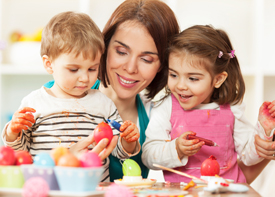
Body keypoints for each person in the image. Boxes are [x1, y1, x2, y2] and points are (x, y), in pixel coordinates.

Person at [44, 0, 180, 181]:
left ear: (162, 65)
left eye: (146, 59)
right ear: (104, 48)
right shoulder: (56, 96)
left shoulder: (158, 119)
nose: (131, 68)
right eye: (121, 51)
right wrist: (64, 161)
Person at [1, 11, 141, 182]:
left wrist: (128, 140)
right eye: (73, 69)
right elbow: (20, 152)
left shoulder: (104, 104)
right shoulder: (34, 103)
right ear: (49, 64)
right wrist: (12, 132)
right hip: (50, 188)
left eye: (92, 69)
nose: (84, 78)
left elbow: (119, 151)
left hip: (93, 190)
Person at [141, 25, 275, 183]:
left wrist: (264, 131)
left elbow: (248, 157)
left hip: (226, 193)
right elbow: (148, 156)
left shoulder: (231, 109)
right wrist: (175, 148)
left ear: (218, 79)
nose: (180, 85)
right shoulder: (166, 107)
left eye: (193, 78)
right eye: (174, 74)